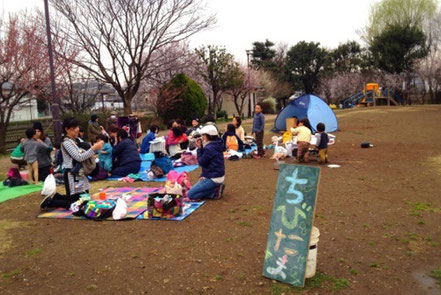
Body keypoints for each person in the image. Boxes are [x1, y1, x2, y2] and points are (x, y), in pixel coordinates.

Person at [40, 118, 104, 210]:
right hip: (72, 174)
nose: (77, 129)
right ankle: (51, 202)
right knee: (76, 203)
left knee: (84, 200)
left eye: (77, 127)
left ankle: (56, 197)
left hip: (80, 173)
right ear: (67, 129)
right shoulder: (66, 142)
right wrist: (94, 148)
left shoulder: (77, 139)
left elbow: (84, 150)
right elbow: (79, 157)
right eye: (73, 128)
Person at [187, 125, 225, 200]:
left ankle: (214, 192)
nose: (202, 137)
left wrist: (199, 149)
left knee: (190, 195)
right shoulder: (218, 143)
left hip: (213, 178)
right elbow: (210, 163)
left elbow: (201, 162)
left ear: (209, 136)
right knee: (195, 191)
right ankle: (214, 189)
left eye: (204, 135)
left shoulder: (209, 148)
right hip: (218, 175)